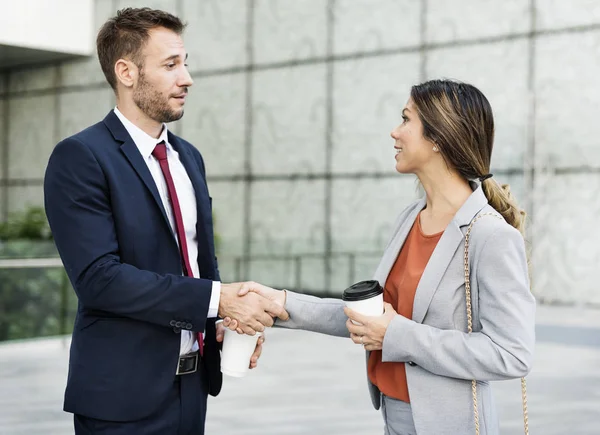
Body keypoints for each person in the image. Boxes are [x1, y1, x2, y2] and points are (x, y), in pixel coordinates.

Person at [232, 80, 536, 434]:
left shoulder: (490, 236)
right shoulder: (411, 217)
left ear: (438, 138)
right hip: (395, 414)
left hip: (449, 424)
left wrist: (397, 335)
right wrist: (279, 303)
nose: (395, 132)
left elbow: (512, 353)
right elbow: (373, 319)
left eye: (406, 120)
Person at [43, 8, 287, 435]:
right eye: (171, 65)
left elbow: (196, 263)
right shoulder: (80, 157)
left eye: (185, 63)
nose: (187, 78)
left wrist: (222, 327)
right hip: (121, 399)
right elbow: (100, 279)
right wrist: (218, 299)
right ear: (126, 72)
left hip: (192, 387)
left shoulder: (188, 157)